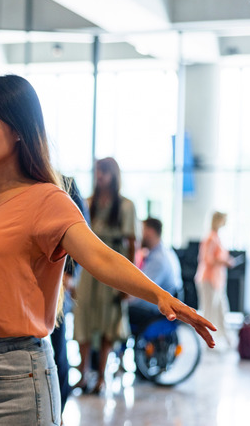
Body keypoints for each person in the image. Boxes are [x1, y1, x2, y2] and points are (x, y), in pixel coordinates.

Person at [0, 75, 215, 425]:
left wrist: (160, 295)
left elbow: (98, 256)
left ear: (19, 128)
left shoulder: (46, 200)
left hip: (17, 377)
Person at [72, 156, 137, 395]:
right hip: (89, 269)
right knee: (84, 317)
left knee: (109, 321)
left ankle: (101, 376)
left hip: (114, 267)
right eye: (98, 171)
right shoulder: (88, 203)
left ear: (114, 175)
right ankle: (82, 373)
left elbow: (132, 244)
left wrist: (128, 282)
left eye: (105, 172)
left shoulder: (126, 206)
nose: (100, 176)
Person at [50, 176, 89, 414]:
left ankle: (60, 410)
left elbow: (82, 236)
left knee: (57, 346)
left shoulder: (66, 185)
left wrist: (70, 275)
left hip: (57, 283)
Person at [128, 217, 183, 332]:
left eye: (141, 230)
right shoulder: (165, 252)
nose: (138, 235)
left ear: (150, 232)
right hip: (161, 304)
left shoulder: (158, 259)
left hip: (154, 309)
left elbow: (143, 290)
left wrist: (123, 300)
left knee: (119, 309)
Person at [194, 211, 235, 349]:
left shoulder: (217, 237)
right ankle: (206, 342)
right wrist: (223, 261)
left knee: (221, 310)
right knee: (209, 311)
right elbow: (207, 258)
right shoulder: (210, 238)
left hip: (217, 281)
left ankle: (226, 340)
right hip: (208, 279)